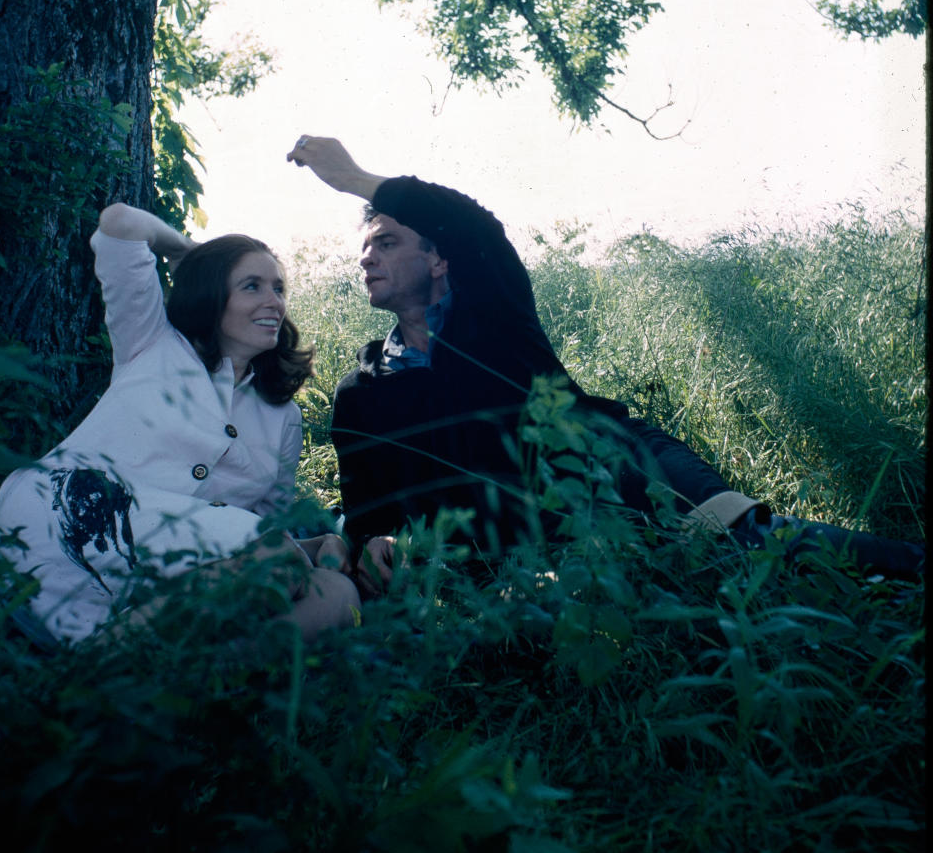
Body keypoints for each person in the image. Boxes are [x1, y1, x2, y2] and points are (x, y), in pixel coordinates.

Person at [288, 136, 924, 595]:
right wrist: (379, 543)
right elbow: (371, 509)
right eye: (365, 249)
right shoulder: (361, 392)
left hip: (613, 458)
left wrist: (355, 179)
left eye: (388, 242)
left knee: (743, 537)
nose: (367, 260)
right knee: (678, 584)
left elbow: (475, 227)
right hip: (542, 530)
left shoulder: (494, 319)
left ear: (438, 261)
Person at [0, 203, 360, 646]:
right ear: (212, 296)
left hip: (142, 590)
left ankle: (156, 678)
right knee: (278, 559)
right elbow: (120, 224)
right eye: (252, 286)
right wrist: (186, 252)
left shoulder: (283, 417)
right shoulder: (153, 341)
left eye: (279, 288)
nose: (274, 302)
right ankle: (111, 674)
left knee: (337, 594)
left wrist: (320, 545)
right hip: (63, 519)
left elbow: (265, 521)